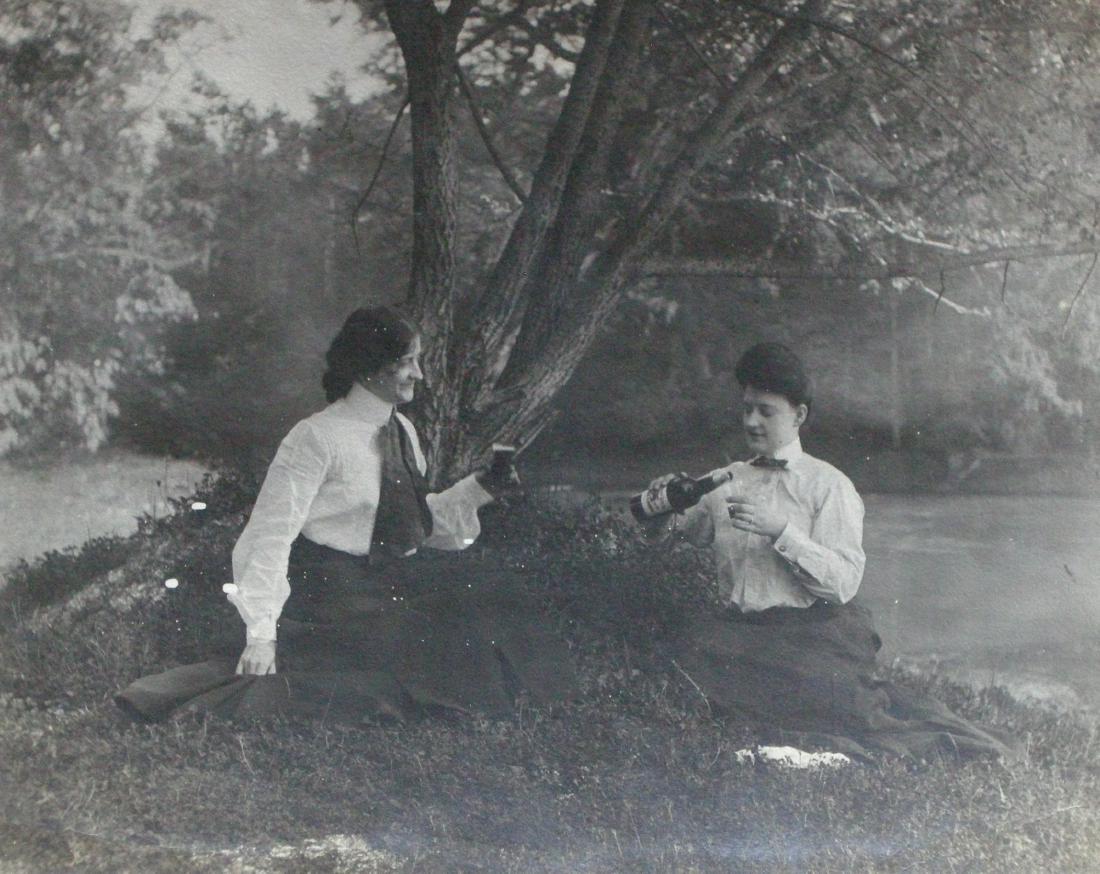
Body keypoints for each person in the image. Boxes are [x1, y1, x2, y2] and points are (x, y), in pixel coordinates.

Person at [117, 306, 575, 722]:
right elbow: (270, 534)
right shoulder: (315, 437)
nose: (420, 373)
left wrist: (480, 489)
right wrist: (261, 635)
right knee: (426, 643)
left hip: (388, 584)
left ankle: (551, 708)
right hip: (332, 596)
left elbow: (408, 524)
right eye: (409, 361)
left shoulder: (403, 431)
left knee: (496, 591)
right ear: (372, 368)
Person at [640, 342, 1015, 760]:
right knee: (682, 662)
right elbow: (670, 531)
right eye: (747, 409)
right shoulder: (723, 480)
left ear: (798, 415)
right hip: (741, 636)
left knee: (830, 701)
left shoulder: (829, 486)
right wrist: (660, 511)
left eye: (766, 411)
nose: (751, 421)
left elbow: (843, 584)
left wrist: (781, 531)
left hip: (809, 638)